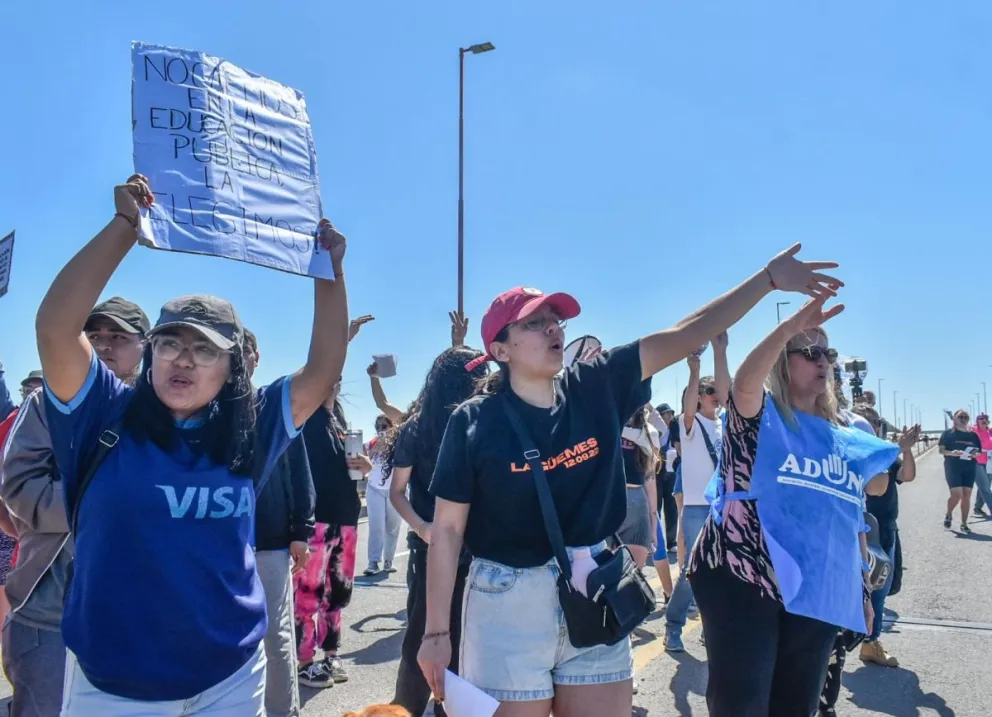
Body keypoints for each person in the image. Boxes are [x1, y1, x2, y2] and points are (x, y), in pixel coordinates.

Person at [419, 244, 841, 716]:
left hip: (598, 587)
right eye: (533, 323)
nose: (553, 328)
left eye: (555, 319)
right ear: (500, 349)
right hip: (506, 601)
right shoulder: (474, 422)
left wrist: (766, 279)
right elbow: (449, 530)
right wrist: (436, 633)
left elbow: (686, 333)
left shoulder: (598, 383)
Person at [35, 175, 349, 715]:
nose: (184, 359)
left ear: (232, 370)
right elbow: (56, 330)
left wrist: (330, 272)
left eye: (205, 350)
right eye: (171, 342)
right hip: (116, 683)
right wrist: (124, 228)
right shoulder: (102, 413)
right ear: (151, 352)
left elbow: (323, 370)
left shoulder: (251, 425)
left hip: (230, 673)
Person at [687, 298, 899, 717]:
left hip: (817, 584)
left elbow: (848, 514)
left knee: (798, 703)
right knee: (743, 702)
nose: (824, 361)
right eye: (811, 352)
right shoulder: (757, 416)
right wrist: (789, 327)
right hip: (743, 574)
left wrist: (860, 586)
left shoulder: (841, 437)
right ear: (784, 363)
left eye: (829, 354)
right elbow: (745, 384)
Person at [1, 299, 149, 717]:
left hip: (135, 617)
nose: (103, 346)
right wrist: (103, 509)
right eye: (94, 335)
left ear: (145, 345)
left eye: (118, 337)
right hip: (50, 616)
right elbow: (18, 487)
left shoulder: (163, 411)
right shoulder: (44, 404)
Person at [385, 345, 488, 717]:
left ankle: (419, 709)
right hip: (441, 549)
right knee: (428, 638)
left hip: (461, 550)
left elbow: (398, 493)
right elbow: (397, 492)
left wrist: (423, 528)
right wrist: (424, 527)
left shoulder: (475, 420)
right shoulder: (426, 425)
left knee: (435, 639)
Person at [242, 328, 316, 717]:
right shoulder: (203, 409)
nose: (240, 356)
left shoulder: (273, 405)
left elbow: (300, 475)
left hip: (270, 542)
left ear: (257, 358)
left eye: (246, 349)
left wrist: (301, 531)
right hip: (222, 543)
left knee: (275, 636)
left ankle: (284, 712)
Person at [296, 377, 371, 689]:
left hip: (346, 517)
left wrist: (365, 465)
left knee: (337, 593)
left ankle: (331, 654)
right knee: (308, 592)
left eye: (338, 379)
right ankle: (304, 661)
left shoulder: (340, 422)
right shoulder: (308, 418)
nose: (335, 382)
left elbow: (351, 468)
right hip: (318, 519)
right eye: (331, 376)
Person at [664, 332, 729, 652]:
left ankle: (711, 625)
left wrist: (722, 351)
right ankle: (673, 626)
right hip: (696, 506)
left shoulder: (725, 424)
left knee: (720, 570)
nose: (715, 395)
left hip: (723, 506)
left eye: (716, 390)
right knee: (692, 569)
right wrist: (694, 369)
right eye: (709, 391)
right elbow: (688, 406)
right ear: (700, 395)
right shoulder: (689, 423)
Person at [618, 405, 660, 569]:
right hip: (636, 501)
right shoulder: (650, 434)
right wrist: (653, 528)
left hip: (609, 501)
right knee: (633, 578)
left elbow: (650, 480)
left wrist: (654, 527)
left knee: (611, 577)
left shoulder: (605, 425)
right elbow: (650, 481)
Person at [364, 412, 401, 576]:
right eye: (377, 427)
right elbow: (362, 463)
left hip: (394, 489)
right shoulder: (370, 444)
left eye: (384, 426)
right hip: (374, 488)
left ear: (391, 427)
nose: (380, 430)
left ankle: (388, 561)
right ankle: (373, 561)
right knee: (376, 525)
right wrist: (372, 451)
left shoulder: (399, 444)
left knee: (393, 527)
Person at [939, 410, 981, 532]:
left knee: (967, 495)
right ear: (954, 419)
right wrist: (952, 453)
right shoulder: (948, 434)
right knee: (957, 495)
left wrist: (975, 454)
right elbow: (941, 450)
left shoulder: (973, 435)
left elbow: (978, 451)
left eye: (966, 417)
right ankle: (949, 513)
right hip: (953, 466)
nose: (963, 419)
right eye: (960, 417)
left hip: (969, 467)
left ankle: (964, 523)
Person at [970, 413, 992, 518]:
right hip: (977, 462)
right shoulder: (973, 430)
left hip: (989, 462)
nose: (984, 420)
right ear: (977, 420)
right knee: (985, 488)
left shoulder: (990, 431)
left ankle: (977, 508)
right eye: (981, 418)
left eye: (986, 418)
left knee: (985, 486)